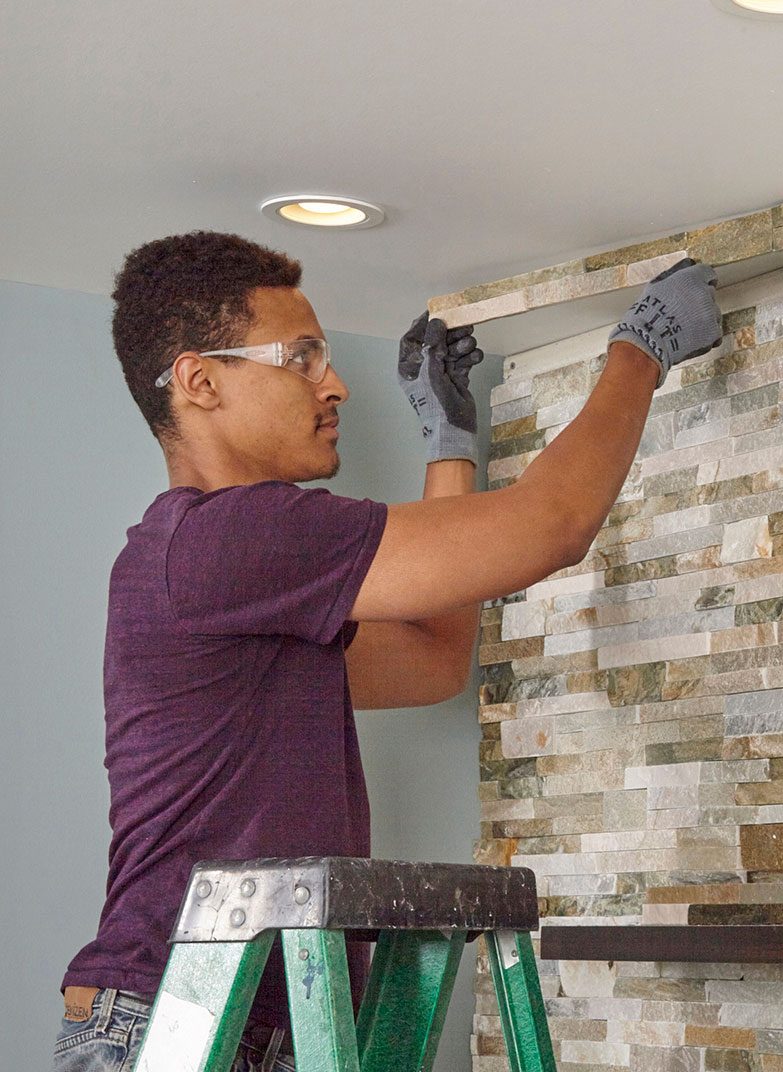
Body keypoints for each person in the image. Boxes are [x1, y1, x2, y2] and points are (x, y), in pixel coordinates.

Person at [54, 230, 722, 1071]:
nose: (333, 385)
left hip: (254, 1019)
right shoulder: (226, 541)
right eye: (299, 358)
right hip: (180, 1019)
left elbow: (433, 659)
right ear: (200, 380)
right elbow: (552, 524)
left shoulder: (232, 581)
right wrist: (640, 351)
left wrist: (449, 444)